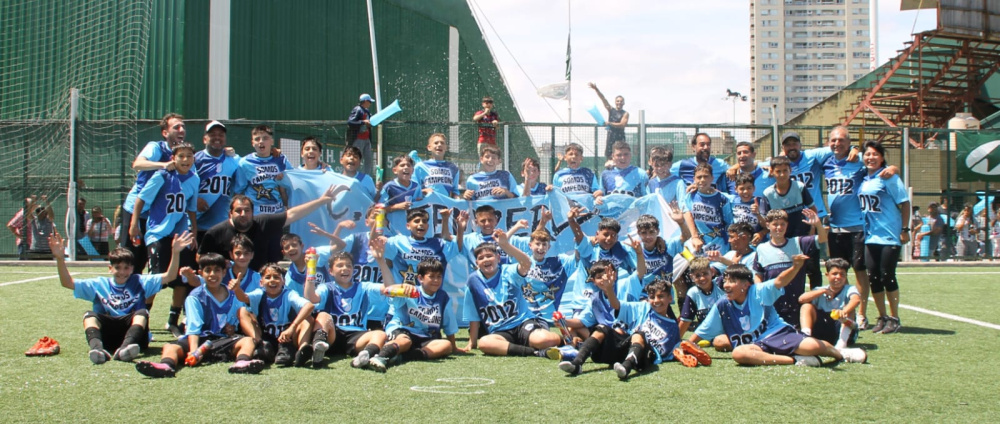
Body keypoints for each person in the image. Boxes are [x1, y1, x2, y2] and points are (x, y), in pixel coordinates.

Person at [690, 258, 867, 367]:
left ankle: (841, 353)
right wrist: (686, 347)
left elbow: (780, 281)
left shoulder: (758, 291)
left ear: (745, 285)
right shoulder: (722, 304)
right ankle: (796, 360)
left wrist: (795, 267)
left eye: (732, 281)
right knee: (739, 354)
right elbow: (703, 330)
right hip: (757, 344)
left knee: (813, 346)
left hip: (777, 334)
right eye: (726, 281)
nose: (726, 285)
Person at [50, 230, 192, 364]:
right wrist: (59, 258)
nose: (122, 272)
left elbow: (170, 276)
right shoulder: (99, 284)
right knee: (89, 315)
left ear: (132, 268)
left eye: (126, 267)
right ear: (110, 268)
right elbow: (67, 282)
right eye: (118, 267)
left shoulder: (140, 281)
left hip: (136, 337)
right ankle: (97, 349)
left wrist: (175, 252)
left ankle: (125, 348)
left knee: (142, 313)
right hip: (108, 336)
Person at [135, 252, 261, 377]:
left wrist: (232, 328)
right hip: (199, 340)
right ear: (201, 273)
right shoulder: (195, 296)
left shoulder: (233, 295)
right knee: (170, 347)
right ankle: (166, 366)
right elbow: (194, 327)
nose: (212, 274)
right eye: (208, 270)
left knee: (248, 341)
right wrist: (194, 351)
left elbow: (238, 317)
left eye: (217, 270)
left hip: (221, 340)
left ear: (224, 273)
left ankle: (241, 363)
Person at [130, 142, 199, 329]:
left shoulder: (194, 179)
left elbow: (191, 209)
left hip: (181, 234)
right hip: (158, 233)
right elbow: (141, 199)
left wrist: (193, 232)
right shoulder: (162, 176)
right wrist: (134, 222)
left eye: (189, 156)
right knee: (156, 278)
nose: (185, 160)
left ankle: (172, 321)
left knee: (183, 277)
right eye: (181, 156)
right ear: (173, 158)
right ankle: (141, 319)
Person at [199, 184, 347, 271]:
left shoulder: (263, 222)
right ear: (230, 213)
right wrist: (219, 263)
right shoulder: (215, 233)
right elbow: (200, 257)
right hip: (228, 284)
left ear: (253, 212)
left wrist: (321, 201)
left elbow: (293, 214)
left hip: (260, 282)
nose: (243, 214)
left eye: (247, 210)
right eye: (238, 211)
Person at [463, 229, 562, 356]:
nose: (486, 260)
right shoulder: (473, 280)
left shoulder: (508, 271)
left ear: (498, 258)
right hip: (499, 331)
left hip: (522, 323)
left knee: (545, 339)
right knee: (485, 343)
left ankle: (565, 340)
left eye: (489, 256)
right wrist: (472, 342)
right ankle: (535, 352)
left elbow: (526, 263)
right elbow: (473, 315)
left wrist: (505, 245)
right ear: (477, 262)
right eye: (481, 258)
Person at [368, 258, 463, 372]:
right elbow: (387, 291)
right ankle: (381, 357)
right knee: (405, 341)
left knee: (446, 345)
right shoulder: (410, 291)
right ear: (420, 278)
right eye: (431, 276)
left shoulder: (443, 297)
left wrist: (454, 347)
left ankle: (402, 357)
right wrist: (401, 287)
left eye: (439, 276)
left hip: (425, 337)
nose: (436, 280)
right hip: (402, 331)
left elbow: (449, 325)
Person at [304, 251, 395, 370]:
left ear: (353, 270)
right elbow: (311, 298)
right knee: (323, 316)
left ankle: (364, 355)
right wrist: (311, 268)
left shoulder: (363, 287)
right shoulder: (327, 287)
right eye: (340, 265)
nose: (345, 268)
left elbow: (389, 289)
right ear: (331, 271)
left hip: (355, 335)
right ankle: (318, 349)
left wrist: (380, 261)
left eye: (348, 265)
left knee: (380, 334)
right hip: (332, 334)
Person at [122, 113, 186, 273]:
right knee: (129, 262)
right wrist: (163, 165)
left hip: (158, 217)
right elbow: (137, 164)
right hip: (138, 212)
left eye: (183, 127)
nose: (181, 129)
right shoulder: (156, 148)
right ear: (165, 133)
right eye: (176, 127)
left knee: (151, 265)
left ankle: (144, 297)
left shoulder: (183, 155)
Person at [821, 125, 872, 328]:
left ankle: (861, 314)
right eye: (833, 140)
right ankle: (843, 310)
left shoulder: (859, 162)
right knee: (838, 272)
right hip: (835, 228)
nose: (837, 143)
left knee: (860, 270)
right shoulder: (826, 163)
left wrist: (891, 169)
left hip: (857, 227)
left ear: (849, 143)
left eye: (841, 140)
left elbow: (881, 165)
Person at [859, 141, 910, 334]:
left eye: (875, 154)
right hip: (871, 236)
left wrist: (905, 229)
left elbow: (905, 203)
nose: (870, 157)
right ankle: (882, 316)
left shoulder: (889, 177)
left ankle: (894, 318)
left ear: (882, 157)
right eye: (867, 154)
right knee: (874, 278)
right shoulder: (864, 178)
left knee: (887, 275)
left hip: (888, 235)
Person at [752, 208, 827, 328]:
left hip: (794, 303)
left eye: (782, 224)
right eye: (775, 224)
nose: (779, 227)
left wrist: (818, 224)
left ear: (787, 225)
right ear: (768, 225)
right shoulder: (762, 248)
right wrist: (760, 293)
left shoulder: (798, 243)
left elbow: (823, 239)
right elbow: (758, 275)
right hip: (772, 304)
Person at [238, 263, 315, 367]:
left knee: (308, 318)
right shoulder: (259, 293)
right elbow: (243, 297)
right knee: (243, 310)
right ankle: (260, 344)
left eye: (276, 277)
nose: (272, 280)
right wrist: (236, 289)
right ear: (261, 282)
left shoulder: (289, 294)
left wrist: (292, 327)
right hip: (266, 338)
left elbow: (309, 305)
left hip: (288, 338)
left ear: (283, 281)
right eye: (268, 277)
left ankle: (302, 351)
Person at [798, 258, 860, 349]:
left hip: (841, 327)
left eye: (842, 274)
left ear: (846, 276)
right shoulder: (820, 290)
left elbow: (856, 300)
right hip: (822, 328)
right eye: (834, 274)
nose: (838, 277)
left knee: (850, 309)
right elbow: (801, 299)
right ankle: (805, 337)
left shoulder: (849, 289)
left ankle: (842, 344)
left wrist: (843, 311)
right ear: (827, 275)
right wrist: (823, 291)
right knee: (806, 306)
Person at [233, 125, 292, 215]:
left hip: (277, 213)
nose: (261, 142)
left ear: (272, 141)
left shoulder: (281, 159)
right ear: (252, 143)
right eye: (257, 139)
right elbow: (238, 190)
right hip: (255, 214)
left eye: (265, 138)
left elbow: (294, 180)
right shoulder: (245, 163)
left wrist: (319, 166)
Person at [682, 163, 734, 255]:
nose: (702, 180)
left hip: (719, 242)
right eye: (699, 177)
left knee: (715, 268)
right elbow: (687, 214)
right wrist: (694, 237)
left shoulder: (722, 198)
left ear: (712, 178)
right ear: (694, 179)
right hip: (698, 241)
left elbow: (729, 222)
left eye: (706, 176)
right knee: (685, 258)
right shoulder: (690, 196)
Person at [677, 257, 725, 338]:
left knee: (720, 342)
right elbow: (685, 320)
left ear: (712, 272)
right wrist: (674, 342)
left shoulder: (721, 283)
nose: (702, 278)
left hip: (726, 332)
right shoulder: (693, 293)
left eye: (705, 273)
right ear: (692, 277)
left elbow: (739, 272)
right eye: (697, 275)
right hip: (707, 335)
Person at [413, 133, 461, 198]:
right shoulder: (420, 167)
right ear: (429, 147)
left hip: (446, 206)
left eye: (442, 143)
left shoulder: (453, 168)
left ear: (446, 148)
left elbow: (455, 191)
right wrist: (425, 191)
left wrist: (459, 204)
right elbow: (413, 191)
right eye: (436, 143)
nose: (439, 145)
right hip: (427, 206)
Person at [588, 82, 628, 160]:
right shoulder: (611, 110)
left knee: (620, 155)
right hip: (611, 135)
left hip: (620, 137)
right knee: (609, 155)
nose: (619, 102)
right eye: (618, 101)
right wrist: (596, 89)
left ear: (623, 103)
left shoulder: (625, 113)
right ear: (615, 102)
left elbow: (622, 124)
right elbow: (603, 99)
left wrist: (610, 123)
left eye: (621, 101)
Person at [347, 93, 374, 176]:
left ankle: (366, 177)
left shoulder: (367, 111)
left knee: (368, 159)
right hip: (358, 139)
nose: (370, 104)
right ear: (365, 101)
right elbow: (350, 121)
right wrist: (363, 122)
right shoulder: (357, 109)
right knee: (357, 158)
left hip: (366, 139)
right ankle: (354, 176)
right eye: (370, 102)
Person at [8, 195, 40, 259]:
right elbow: (10, 225)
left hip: (31, 243)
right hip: (25, 243)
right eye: (33, 203)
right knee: (24, 262)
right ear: (28, 205)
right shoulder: (22, 214)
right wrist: (19, 236)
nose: (36, 205)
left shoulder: (31, 213)